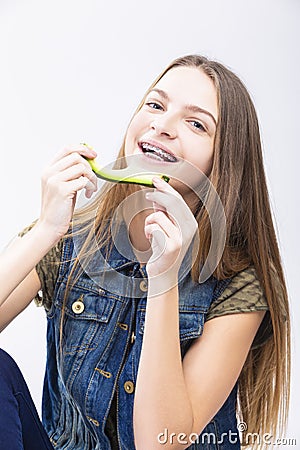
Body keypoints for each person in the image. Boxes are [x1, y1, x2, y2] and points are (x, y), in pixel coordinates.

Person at [0, 55, 290, 450]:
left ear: (223, 160)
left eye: (196, 123)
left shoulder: (241, 280)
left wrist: (163, 278)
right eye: (156, 105)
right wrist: (47, 231)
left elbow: (160, 443)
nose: (163, 126)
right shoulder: (73, 238)